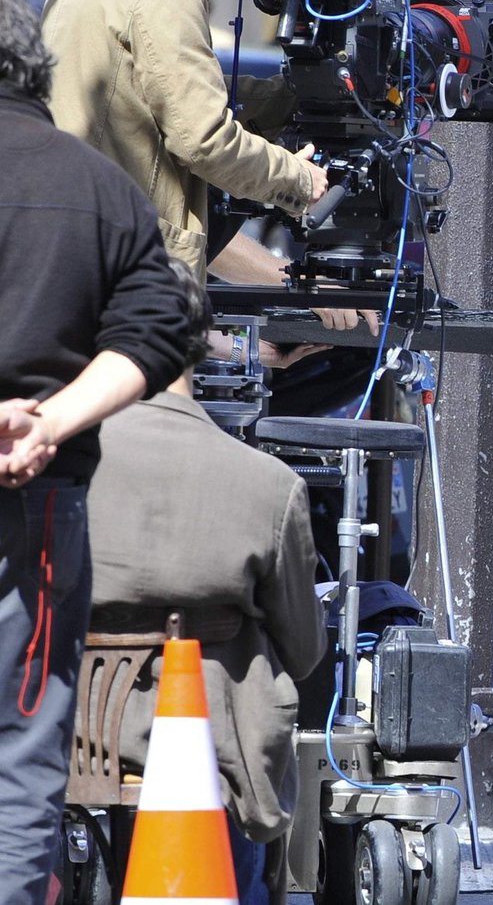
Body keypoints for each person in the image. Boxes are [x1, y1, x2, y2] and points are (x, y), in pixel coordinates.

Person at [0, 0, 188, 905]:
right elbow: (161, 328)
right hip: (36, 506)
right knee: (22, 757)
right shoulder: (98, 188)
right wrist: (49, 422)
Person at [85, 261, 326, 905]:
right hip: (217, 758)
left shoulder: (59, 467)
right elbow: (303, 652)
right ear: (203, 339)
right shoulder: (271, 486)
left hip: (78, 742)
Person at [37, 0, 326, 281]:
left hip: (70, 233)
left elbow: (152, 88)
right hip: (123, 261)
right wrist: (299, 180)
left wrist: (289, 98)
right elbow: (204, 139)